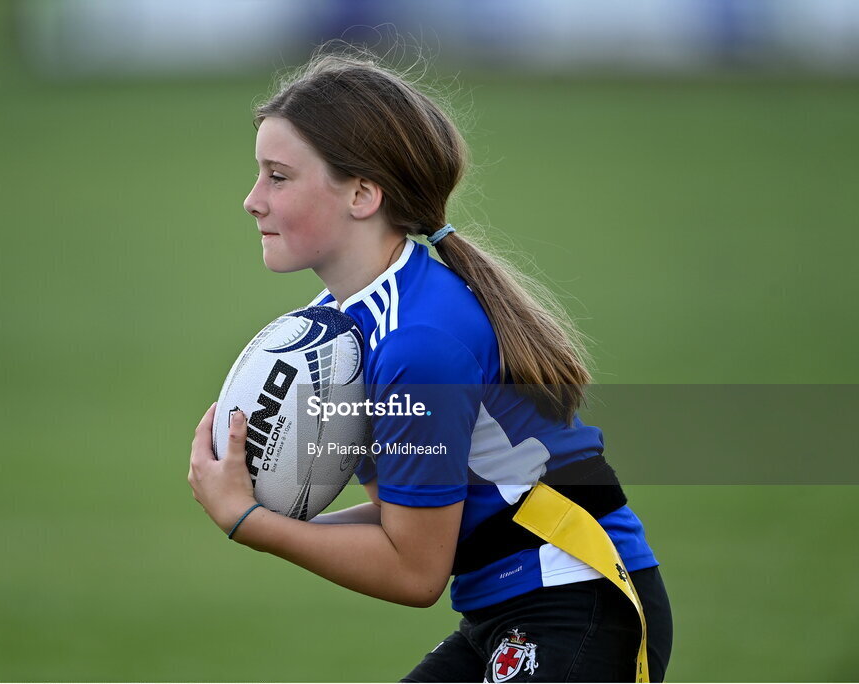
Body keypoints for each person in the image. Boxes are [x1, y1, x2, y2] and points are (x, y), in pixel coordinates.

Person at [187, 46, 673, 683]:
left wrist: (250, 522)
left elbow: (415, 570)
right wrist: (270, 511)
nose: (252, 200)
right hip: (507, 609)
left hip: (577, 603)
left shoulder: (418, 344)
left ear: (362, 194)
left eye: (278, 177)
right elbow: (406, 516)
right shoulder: (339, 326)